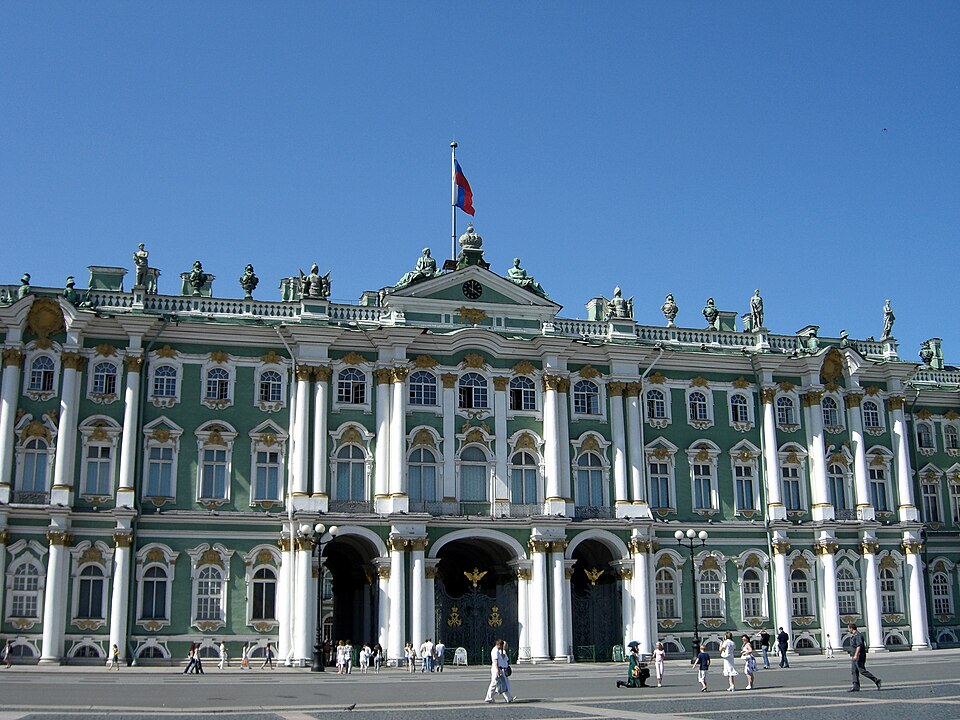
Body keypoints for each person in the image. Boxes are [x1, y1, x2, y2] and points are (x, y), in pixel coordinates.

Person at [848, 623, 881, 692]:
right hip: (854, 656)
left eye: (849, 628)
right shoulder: (854, 636)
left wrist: (856, 655)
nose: (848, 630)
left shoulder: (858, 635)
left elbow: (859, 646)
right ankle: (855, 686)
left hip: (859, 656)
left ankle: (876, 680)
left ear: (851, 628)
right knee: (854, 671)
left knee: (861, 670)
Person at [483, 639, 514, 703]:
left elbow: (504, 660)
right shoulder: (495, 651)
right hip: (497, 669)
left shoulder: (500, 651)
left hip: (501, 669)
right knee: (496, 684)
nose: (503, 647)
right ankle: (489, 698)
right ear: (499, 645)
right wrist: (498, 670)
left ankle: (507, 698)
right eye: (502, 646)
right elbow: (495, 661)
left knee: (501, 684)